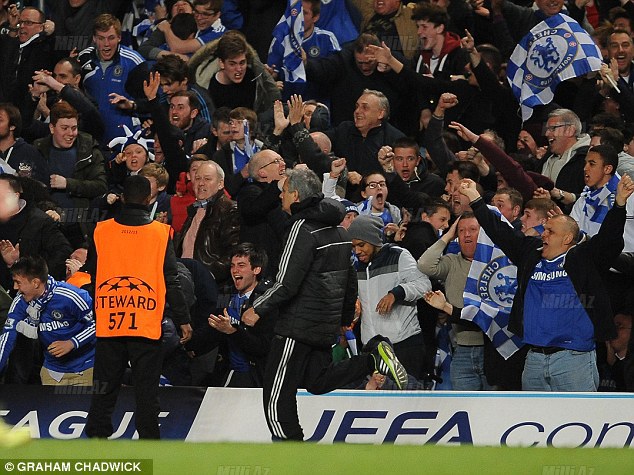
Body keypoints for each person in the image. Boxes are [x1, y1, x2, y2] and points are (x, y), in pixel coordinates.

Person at [241, 167, 408, 441]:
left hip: (296, 327)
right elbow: (349, 281)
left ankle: (289, 451)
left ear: (295, 195)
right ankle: (371, 359)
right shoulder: (340, 231)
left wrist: (257, 309)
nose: (281, 198)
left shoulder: (301, 228)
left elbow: (286, 282)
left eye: (283, 192)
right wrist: (343, 319)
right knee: (316, 381)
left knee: (276, 392)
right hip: (324, 325)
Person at [459, 175, 634, 391]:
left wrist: (619, 205)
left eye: (551, 231)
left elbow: (609, 240)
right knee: (535, 422)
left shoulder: (583, 258)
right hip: (534, 358)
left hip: (573, 359)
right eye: (544, 230)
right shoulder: (530, 254)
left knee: (576, 421)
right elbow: (500, 232)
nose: (544, 235)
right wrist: (476, 200)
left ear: (567, 238)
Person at [85, 175, 192, 439]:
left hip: (110, 320)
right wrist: (183, 318)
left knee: (104, 388)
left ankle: (96, 438)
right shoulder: (159, 232)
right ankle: (148, 442)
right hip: (145, 322)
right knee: (146, 389)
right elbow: (171, 279)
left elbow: (94, 274)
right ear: (148, 199)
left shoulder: (101, 230)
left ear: (122, 197)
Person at [348, 214, 432, 379]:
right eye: (353, 247)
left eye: (361, 245)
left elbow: (424, 285)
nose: (357, 251)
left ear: (373, 240)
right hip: (371, 349)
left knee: (405, 403)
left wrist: (396, 293)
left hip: (404, 347)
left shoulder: (398, 255)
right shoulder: (355, 266)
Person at [0, 255, 95, 386]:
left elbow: (98, 325)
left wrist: (72, 343)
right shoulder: (20, 302)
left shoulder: (72, 296)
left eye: (18, 282)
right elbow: (7, 336)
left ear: (35, 283)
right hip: (51, 373)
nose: (15, 288)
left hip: (85, 369)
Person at [208, 243, 275, 387]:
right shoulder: (226, 293)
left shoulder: (267, 300)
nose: (234, 270)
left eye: (241, 265)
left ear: (256, 269)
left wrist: (233, 332)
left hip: (255, 375)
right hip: (227, 371)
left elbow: (263, 346)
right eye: (232, 266)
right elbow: (213, 327)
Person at [77, 14, 149, 146]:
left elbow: (151, 102)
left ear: (119, 38)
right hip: (89, 139)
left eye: (111, 38)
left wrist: (131, 105)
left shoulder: (134, 62)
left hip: (125, 140)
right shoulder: (83, 58)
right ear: (94, 38)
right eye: (101, 38)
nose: (106, 44)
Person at [174, 161, 240, 287]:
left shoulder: (230, 209)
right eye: (197, 178)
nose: (201, 183)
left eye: (207, 179)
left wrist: (208, 276)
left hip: (210, 286)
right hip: (185, 282)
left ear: (220, 184)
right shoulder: (193, 210)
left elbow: (233, 252)